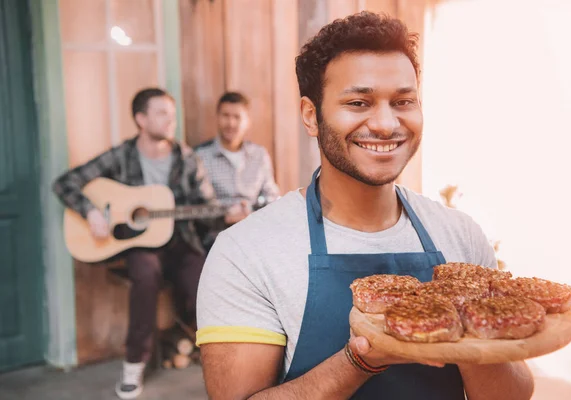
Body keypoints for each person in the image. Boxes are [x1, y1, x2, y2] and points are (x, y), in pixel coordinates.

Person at [195, 12, 534, 400]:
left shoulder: (462, 237)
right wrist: (361, 359)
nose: (387, 124)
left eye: (403, 101)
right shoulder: (246, 252)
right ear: (311, 116)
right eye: (359, 102)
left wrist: (466, 331)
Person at [52, 88, 244, 400]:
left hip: (181, 242)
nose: (171, 120)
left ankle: (227, 360)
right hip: (139, 246)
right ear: (141, 120)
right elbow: (65, 183)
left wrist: (227, 214)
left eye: (172, 113)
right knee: (145, 275)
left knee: (205, 282)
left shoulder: (186, 158)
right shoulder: (123, 155)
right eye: (162, 113)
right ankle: (134, 363)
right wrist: (90, 212)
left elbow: (207, 209)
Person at [194, 92, 280, 249]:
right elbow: (198, 202)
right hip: (216, 232)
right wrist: (223, 216)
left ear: (247, 121)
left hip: (255, 227)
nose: (231, 123)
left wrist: (252, 212)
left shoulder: (259, 155)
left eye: (237, 117)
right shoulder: (200, 156)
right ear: (217, 118)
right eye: (225, 116)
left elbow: (271, 196)